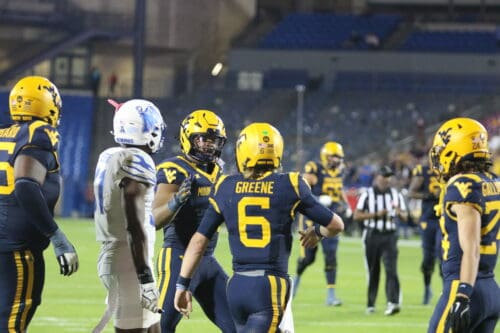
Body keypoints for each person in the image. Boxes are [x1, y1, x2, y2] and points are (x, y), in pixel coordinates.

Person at [173, 122, 344, 332]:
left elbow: (198, 242)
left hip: (236, 287)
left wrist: (182, 285)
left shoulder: (225, 186)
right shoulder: (290, 184)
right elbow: (336, 225)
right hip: (268, 287)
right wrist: (317, 232)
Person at [0, 76, 79, 332]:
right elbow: (25, 184)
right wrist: (55, 234)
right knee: (12, 324)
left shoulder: (3, 133)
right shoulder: (39, 132)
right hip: (17, 250)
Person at [152, 110, 235, 332]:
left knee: (238, 325)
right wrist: (175, 202)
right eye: (203, 139)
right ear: (187, 138)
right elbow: (154, 220)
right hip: (177, 256)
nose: (209, 146)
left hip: (206, 260)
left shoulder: (220, 171)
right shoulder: (174, 170)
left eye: (214, 141)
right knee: (161, 327)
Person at [93, 99, 166, 333]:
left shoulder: (109, 155)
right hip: (130, 263)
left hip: (120, 256)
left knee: (154, 328)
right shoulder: (137, 161)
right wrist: (145, 277)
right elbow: (132, 225)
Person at [427, 117, 500, 333]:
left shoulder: (462, 185)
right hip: (491, 289)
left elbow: (472, 249)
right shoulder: (492, 181)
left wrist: (462, 295)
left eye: (442, 150)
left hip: (466, 287)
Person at [293, 141, 350, 306]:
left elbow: (339, 190)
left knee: (331, 256)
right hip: (311, 218)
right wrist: (318, 199)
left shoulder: (339, 172)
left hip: (330, 219)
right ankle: (294, 282)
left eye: (339, 157)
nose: (337, 160)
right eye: (334, 156)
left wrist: (346, 205)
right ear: (325, 156)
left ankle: (331, 295)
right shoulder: (314, 168)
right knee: (307, 258)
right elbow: (301, 189)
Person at [353, 165, 408, 316]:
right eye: (384, 176)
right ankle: (371, 303)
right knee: (373, 270)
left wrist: (398, 213)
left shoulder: (395, 194)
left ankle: (393, 302)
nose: (386, 179)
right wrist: (376, 214)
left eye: (389, 176)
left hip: (390, 235)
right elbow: (357, 215)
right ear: (378, 177)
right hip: (373, 235)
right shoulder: (367, 194)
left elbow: (405, 216)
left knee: (391, 269)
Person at [408, 157, 442, 305]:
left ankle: (446, 291)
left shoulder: (450, 170)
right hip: (428, 219)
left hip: (445, 218)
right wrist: (428, 196)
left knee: (444, 257)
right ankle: (427, 288)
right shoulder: (423, 171)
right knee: (428, 258)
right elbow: (411, 192)